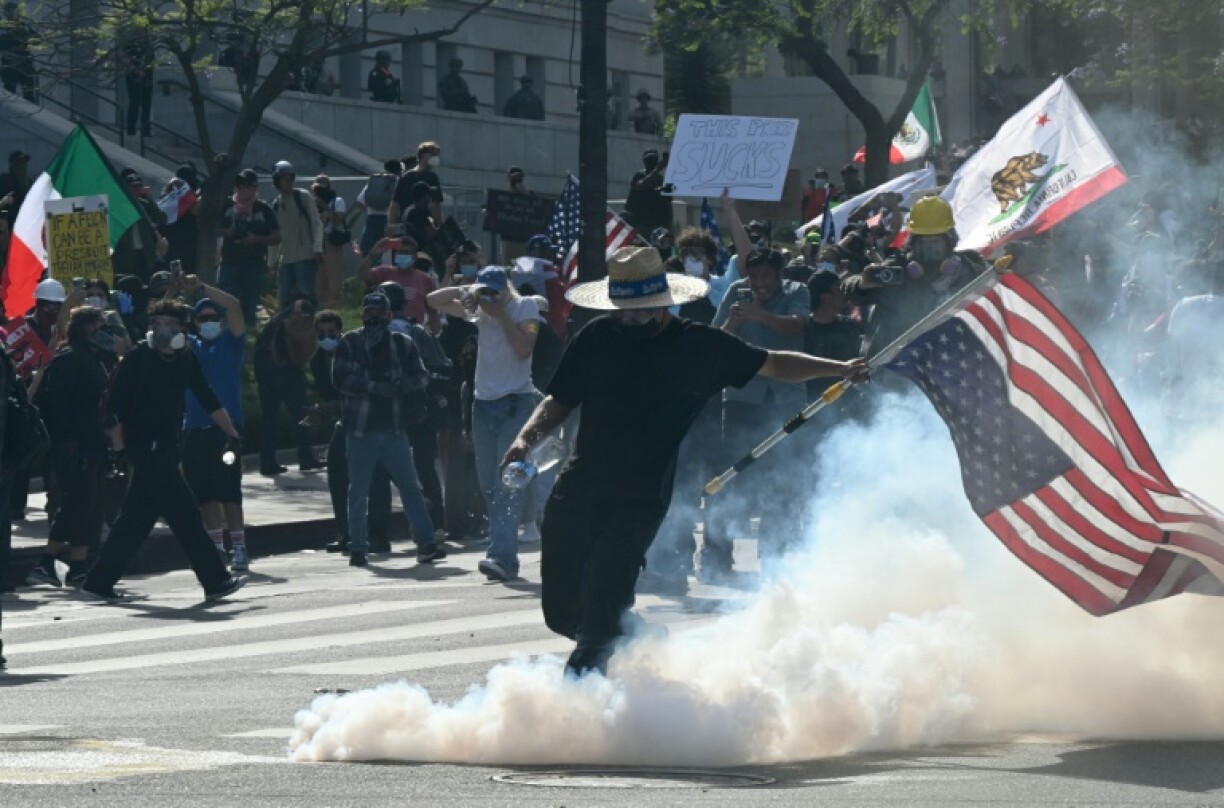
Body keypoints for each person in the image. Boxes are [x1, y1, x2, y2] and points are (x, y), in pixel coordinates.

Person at [502, 246, 868, 675]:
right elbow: (559, 400)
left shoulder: (697, 346)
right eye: (625, 310)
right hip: (578, 491)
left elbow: (773, 364)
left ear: (662, 303)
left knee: (601, 614)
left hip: (638, 500)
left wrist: (838, 368)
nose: (631, 319)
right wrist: (525, 440)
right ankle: (638, 637)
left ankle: (576, 720)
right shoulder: (597, 337)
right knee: (564, 614)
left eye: (642, 310)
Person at [80, 299, 245, 603]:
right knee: (186, 516)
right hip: (145, 448)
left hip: (168, 447)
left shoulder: (185, 358)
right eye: (158, 324)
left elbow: (207, 397)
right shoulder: (138, 357)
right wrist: (119, 448)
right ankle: (216, 579)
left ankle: (98, 581)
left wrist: (232, 433)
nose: (163, 329)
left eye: (170, 324)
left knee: (135, 520)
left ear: (183, 328)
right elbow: (112, 407)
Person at [427, 267, 539, 582]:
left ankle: (501, 557)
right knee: (489, 484)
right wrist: (469, 290)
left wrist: (501, 314)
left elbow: (524, 348)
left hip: (515, 402)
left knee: (508, 483)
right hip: (482, 405)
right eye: (486, 292)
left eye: (496, 291)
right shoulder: (478, 311)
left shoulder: (524, 306)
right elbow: (432, 300)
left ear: (507, 289)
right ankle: (503, 552)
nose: (491, 298)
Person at [706, 247, 811, 577]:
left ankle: (775, 556)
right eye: (754, 276)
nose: (760, 283)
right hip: (741, 398)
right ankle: (717, 557)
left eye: (767, 276)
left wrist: (760, 316)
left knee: (783, 481)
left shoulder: (798, 292)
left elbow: (795, 327)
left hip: (785, 398)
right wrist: (733, 323)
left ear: (780, 275)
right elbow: (714, 339)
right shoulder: (736, 293)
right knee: (729, 477)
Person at [331, 292, 445, 567]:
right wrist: (373, 387)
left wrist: (404, 385)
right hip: (359, 431)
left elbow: (422, 376)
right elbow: (340, 378)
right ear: (362, 315)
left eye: (378, 313)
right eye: (368, 313)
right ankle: (358, 547)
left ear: (389, 315)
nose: (373, 318)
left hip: (394, 430)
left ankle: (426, 544)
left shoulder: (402, 344)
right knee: (358, 491)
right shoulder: (350, 342)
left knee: (411, 488)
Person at [24, 306, 118, 588]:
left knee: (92, 506)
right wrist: (67, 442)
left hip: (93, 444)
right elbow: (56, 406)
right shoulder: (68, 359)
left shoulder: (95, 358)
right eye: (97, 326)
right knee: (76, 504)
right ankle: (46, 562)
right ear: (85, 327)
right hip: (74, 447)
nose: (102, 332)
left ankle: (78, 565)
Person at [181, 279, 250, 571]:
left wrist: (201, 288)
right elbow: (162, 328)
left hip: (226, 430)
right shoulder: (188, 347)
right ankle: (216, 549)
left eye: (213, 318)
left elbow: (234, 305)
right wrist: (174, 291)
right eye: (202, 319)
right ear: (194, 323)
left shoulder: (232, 343)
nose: (208, 323)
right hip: (194, 429)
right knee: (205, 493)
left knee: (229, 490)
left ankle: (239, 548)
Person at [312, 310, 394, 555]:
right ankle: (346, 532)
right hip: (345, 422)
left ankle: (378, 535)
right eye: (322, 334)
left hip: (372, 420)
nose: (327, 338)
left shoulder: (355, 351)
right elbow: (329, 394)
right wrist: (323, 411)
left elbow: (364, 388)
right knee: (337, 473)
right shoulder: (317, 360)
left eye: (332, 333)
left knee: (377, 477)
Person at [254, 296, 321, 476]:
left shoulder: (275, 321)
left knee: (269, 418)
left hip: (265, 372)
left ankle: (267, 462)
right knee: (302, 415)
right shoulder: (301, 319)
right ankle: (306, 458)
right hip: (288, 372)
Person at [218, 168, 280, 324]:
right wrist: (228, 232)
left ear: (255, 188)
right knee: (228, 302)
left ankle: (248, 334)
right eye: (240, 186)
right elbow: (210, 228)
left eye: (247, 186)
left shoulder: (263, 209)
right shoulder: (225, 205)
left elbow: (277, 236)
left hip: (254, 264)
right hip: (229, 262)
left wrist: (256, 239)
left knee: (249, 305)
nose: (243, 190)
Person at [269, 160, 323, 308]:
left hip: (305, 256)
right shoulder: (276, 205)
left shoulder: (303, 197)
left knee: (307, 295)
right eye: (284, 179)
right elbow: (275, 237)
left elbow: (316, 222)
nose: (288, 182)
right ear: (277, 181)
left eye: (290, 179)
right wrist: (272, 263)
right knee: (285, 299)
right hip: (285, 260)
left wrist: (317, 248)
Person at [359, 236, 439, 330]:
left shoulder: (425, 280)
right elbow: (362, 275)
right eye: (400, 252)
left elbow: (433, 312)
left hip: (413, 330)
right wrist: (372, 254)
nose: (402, 255)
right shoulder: (385, 272)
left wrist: (434, 335)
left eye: (406, 253)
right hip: (386, 328)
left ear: (415, 257)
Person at [351, 159, 402, 257]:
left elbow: (360, 202)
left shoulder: (375, 181)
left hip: (372, 220)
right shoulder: (399, 181)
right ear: (400, 170)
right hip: (392, 222)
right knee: (392, 254)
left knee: (370, 253)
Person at [388, 142, 444, 234]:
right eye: (433, 154)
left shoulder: (405, 176)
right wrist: (441, 225)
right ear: (423, 155)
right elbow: (435, 205)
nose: (436, 158)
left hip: (407, 227)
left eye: (437, 155)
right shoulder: (432, 177)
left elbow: (394, 205)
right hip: (425, 228)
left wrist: (390, 225)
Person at [311, 174, 347, 308]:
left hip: (332, 241)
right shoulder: (312, 203)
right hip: (318, 242)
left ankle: (334, 306)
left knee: (334, 278)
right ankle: (321, 306)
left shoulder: (337, 201)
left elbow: (339, 218)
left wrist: (325, 207)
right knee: (320, 278)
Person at [624, 149, 670, 236]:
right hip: (639, 222)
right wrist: (659, 168)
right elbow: (642, 185)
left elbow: (667, 199)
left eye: (654, 159)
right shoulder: (640, 175)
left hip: (655, 223)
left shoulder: (660, 179)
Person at [120, 28, 155, 138]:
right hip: (133, 77)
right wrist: (137, 71)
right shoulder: (130, 45)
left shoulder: (148, 47)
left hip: (147, 77)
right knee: (134, 101)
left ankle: (146, 130)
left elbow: (152, 61)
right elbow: (125, 61)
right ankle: (131, 129)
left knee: (146, 103)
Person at [0, 2, 37, 102]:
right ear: (6, 12)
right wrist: (14, 47)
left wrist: (26, 44)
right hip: (10, 64)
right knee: (9, 93)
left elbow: (37, 39)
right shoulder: (3, 26)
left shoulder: (24, 26)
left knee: (29, 94)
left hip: (25, 64)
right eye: (11, 11)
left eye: (16, 11)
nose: (14, 13)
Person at [0, 149, 32, 227]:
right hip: (8, 226)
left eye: (25, 163)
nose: (24, 165)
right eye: (21, 162)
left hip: (25, 225)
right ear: (13, 165)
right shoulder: (5, 181)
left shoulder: (30, 183)